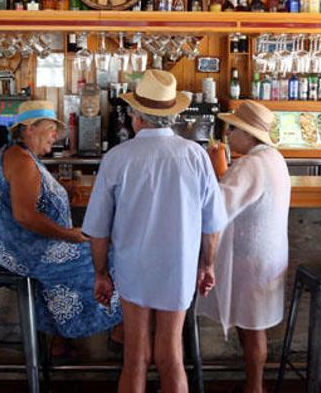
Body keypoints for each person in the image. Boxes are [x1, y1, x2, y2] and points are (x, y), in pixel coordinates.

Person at [82, 69, 228, 393]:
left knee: (135, 358)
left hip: (134, 267)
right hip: (178, 268)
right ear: (172, 116)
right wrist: (207, 265)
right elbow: (213, 223)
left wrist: (101, 273)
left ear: (136, 117)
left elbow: (97, 229)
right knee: (172, 356)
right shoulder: (196, 156)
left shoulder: (118, 158)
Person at [0, 100, 122, 344]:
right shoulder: (23, 161)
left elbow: (27, 195)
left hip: (11, 246)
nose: (55, 135)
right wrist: (69, 235)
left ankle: (60, 338)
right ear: (29, 129)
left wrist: (61, 191)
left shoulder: (14, 154)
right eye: (50, 128)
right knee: (109, 255)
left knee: (98, 253)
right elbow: (24, 215)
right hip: (25, 249)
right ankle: (115, 331)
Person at [197, 100, 290, 393]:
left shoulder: (251, 164)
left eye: (233, 129)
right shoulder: (274, 158)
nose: (227, 135)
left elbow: (217, 207)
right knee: (254, 326)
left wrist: (212, 170)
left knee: (251, 329)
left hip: (251, 257)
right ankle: (255, 386)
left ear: (249, 135)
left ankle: (255, 387)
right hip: (268, 254)